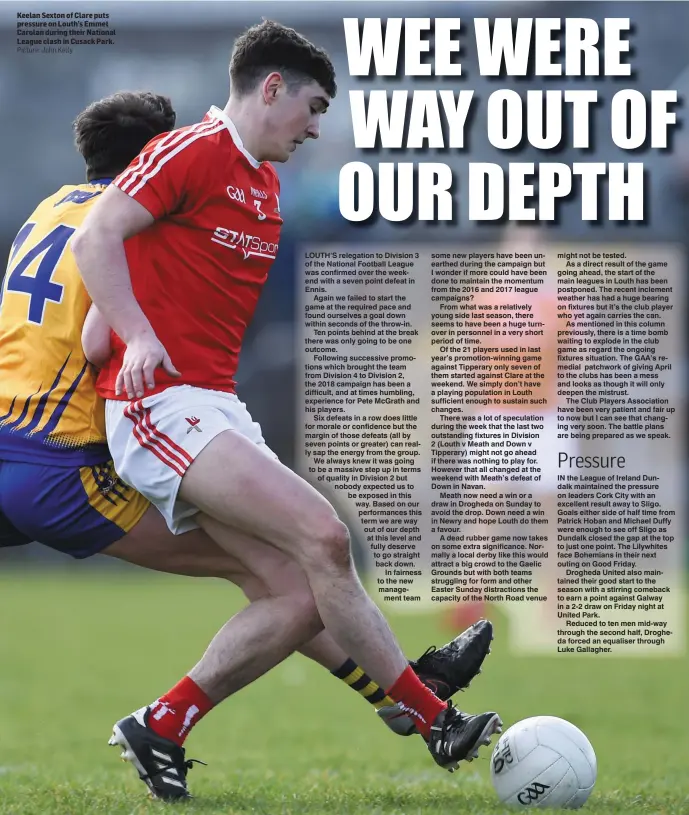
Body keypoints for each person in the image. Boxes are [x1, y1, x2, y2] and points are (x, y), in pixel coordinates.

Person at [0, 90, 495, 801]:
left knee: (284, 578)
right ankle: (393, 697)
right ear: (150, 159)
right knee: (292, 580)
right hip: (64, 465)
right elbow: (97, 338)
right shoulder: (135, 226)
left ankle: (407, 694)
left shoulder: (48, 208)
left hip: (14, 442)